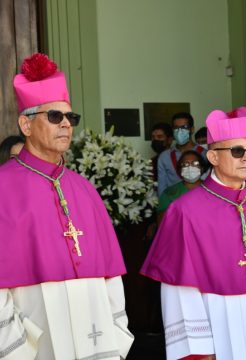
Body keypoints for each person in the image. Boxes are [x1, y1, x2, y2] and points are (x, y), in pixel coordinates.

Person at [141, 106, 246, 360]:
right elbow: (179, 289)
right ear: (213, 157)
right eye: (237, 150)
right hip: (218, 325)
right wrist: (198, 350)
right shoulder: (184, 211)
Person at [0, 53, 133, 359]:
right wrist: (17, 350)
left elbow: (110, 275)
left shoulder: (84, 189)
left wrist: (117, 333)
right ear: (26, 124)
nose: (66, 125)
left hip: (97, 338)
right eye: (54, 116)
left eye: (70, 118)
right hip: (32, 344)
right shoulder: (3, 186)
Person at [157, 112, 207, 195]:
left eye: (184, 127)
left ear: (192, 129)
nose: (180, 131)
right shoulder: (164, 157)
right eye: (176, 128)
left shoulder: (205, 154)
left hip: (200, 201)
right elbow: (162, 189)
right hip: (173, 203)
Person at [156, 149, 207, 225]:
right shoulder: (170, 193)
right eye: (185, 164)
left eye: (195, 164)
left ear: (202, 168)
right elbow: (161, 222)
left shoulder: (211, 189)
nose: (190, 168)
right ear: (180, 170)